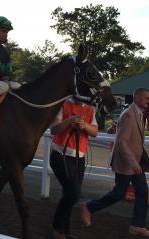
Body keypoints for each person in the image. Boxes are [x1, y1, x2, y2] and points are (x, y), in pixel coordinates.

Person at [80, 88, 149, 237]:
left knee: (142, 191)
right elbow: (121, 142)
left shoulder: (138, 114)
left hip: (135, 162)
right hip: (126, 163)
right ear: (138, 98)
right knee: (119, 193)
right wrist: (133, 163)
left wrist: (136, 162)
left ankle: (137, 226)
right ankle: (88, 207)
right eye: (147, 98)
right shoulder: (128, 115)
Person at [49, 96, 98, 239]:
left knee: (69, 194)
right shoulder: (63, 104)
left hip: (79, 157)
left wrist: (84, 126)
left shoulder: (90, 108)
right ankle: (57, 227)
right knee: (73, 193)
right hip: (60, 154)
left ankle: (63, 230)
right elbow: (54, 129)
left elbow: (94, 132)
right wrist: (70, 120)